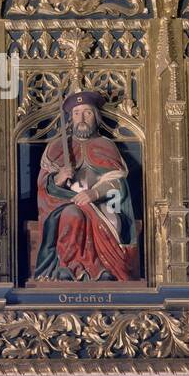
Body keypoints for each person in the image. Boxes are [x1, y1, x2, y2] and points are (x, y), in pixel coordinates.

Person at [33, 90, 137, 281]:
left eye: (87, 112)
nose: (81, 118)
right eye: (76, 113)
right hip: (65, 203)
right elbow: (44, 186)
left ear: (95, 117)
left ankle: (102, 268)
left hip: (103, 204)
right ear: (71, 118)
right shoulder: (56, 147)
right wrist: (59, 178)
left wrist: (95, 193)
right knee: (73, 215)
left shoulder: (107, 146)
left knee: (113, 220)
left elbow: (118, 182)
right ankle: (70, 267)